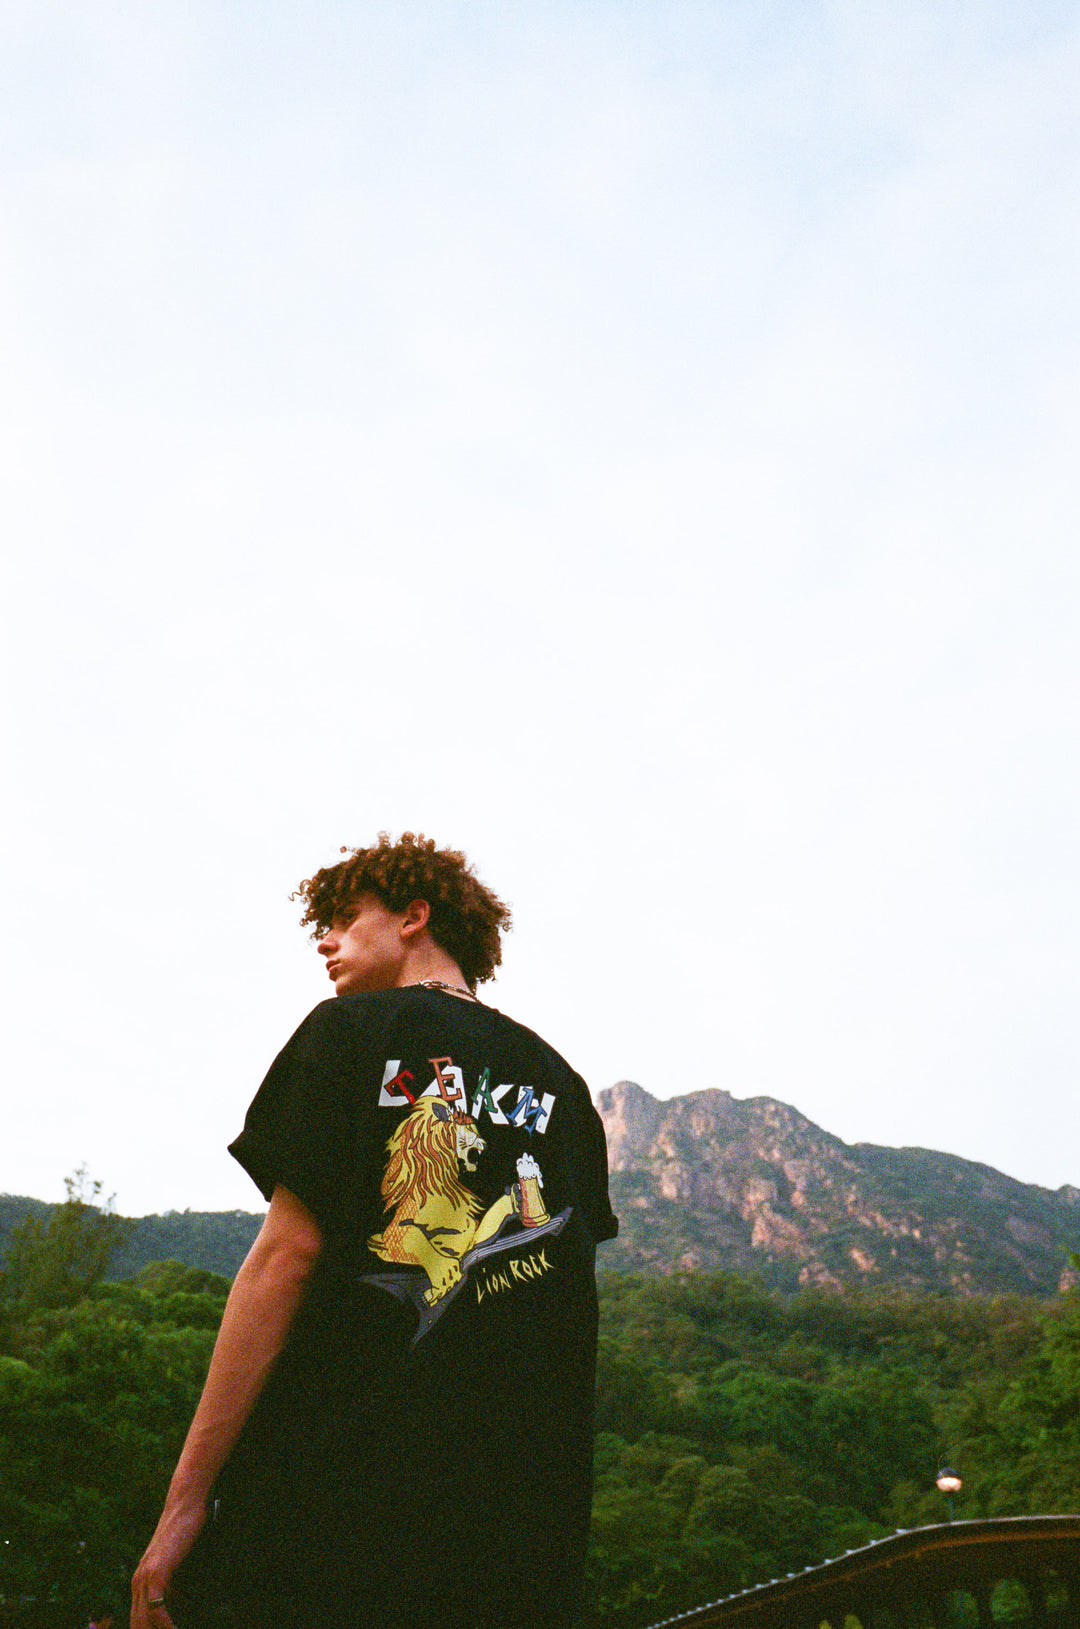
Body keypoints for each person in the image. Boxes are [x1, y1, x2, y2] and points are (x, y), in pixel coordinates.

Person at [131, 832, 618, 1629]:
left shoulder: (350, 1032)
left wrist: (184, 1502)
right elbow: (564, 1312)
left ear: (413, 916)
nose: (325, 941)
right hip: (515, 1549)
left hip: (329, 1522)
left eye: (345, 919)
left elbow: (285, 1258)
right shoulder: (564, 1087)